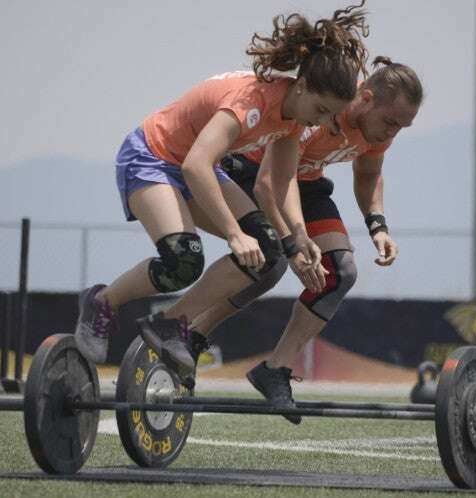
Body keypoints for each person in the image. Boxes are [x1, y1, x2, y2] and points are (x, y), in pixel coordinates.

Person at [74, 2, 370, 386]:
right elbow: (195, 165)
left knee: (268, 252)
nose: (323, 121)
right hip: (150, 157)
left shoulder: (292, 120)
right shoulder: (251, 103)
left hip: (195, 167)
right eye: (321, 109)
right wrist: (233, 232)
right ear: (301, 87)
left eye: (330, 115)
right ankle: (101, 303)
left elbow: (277, 187)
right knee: (183, 260)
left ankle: (169, 325)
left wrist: (298, 240)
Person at [170, 57, 423, 423]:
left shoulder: (376, 133)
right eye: (390, 122)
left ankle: (275, 369)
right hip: (253, 174)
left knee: (341, 272)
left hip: (305, 185)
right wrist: (293, 245)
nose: (392, 133)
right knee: (267, 263)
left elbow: (368, 175)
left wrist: (378, 226)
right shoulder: (319, 117)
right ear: (365, 99)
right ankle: (193, 335)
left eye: (403, 127)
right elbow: (271, 184)